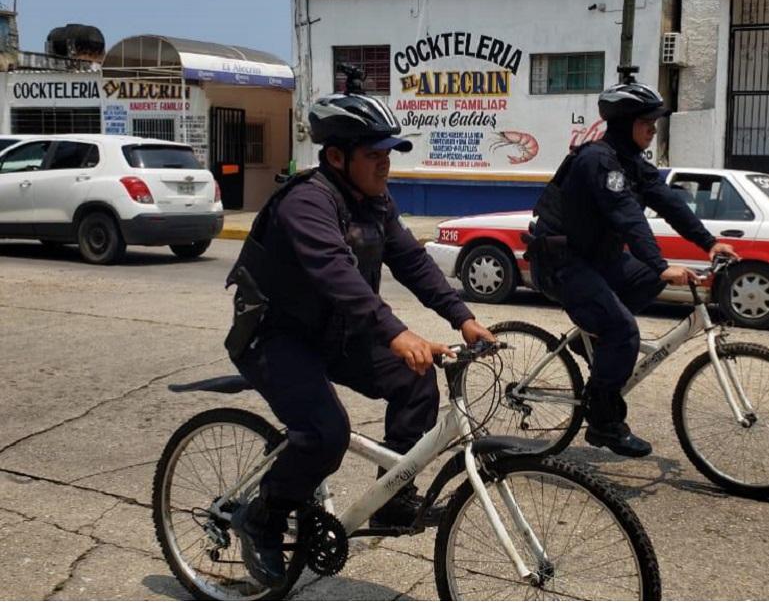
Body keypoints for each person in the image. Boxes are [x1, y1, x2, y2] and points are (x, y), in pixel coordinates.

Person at [224, 69, 495, 588]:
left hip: (333, 333)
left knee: (415, 381)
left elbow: (412, 261)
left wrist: (462, 317)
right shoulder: (308, 201)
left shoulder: (374, 201)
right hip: (275, 335)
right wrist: (397, 332)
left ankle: (391, 501)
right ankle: (262, 520)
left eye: (388, 154)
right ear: (336, 157)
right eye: (374, 155)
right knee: (327, 433)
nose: (385, 165)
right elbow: (335, 273)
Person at [530, 71, 739, 459]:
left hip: (598, 259)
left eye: (655, 123)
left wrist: (709, 243)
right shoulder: (598, 161)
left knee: (644, 282)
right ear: (626, 124)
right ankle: (604, 421)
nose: (653, 131)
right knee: (624, 330)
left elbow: (667, 201)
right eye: (647, 123)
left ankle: (590, 337)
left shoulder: (629, 161)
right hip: (562, 261)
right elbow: (627, 214)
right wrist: (660, 263)